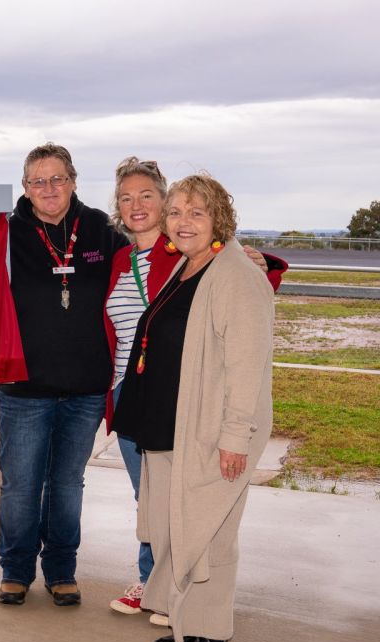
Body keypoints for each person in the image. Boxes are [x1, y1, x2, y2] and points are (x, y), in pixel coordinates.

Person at [103, 158, 288, 617]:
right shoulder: (166, 266)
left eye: (196, 213)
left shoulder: (225, 267)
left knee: (202, 523)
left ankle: (204, 627)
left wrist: (235, 435)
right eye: (178, 213)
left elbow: (246, 357)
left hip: (201, 417)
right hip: (152, 407)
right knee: (164, 515)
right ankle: (173, 604)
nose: (184, 223)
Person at [0, 143, 127, 607]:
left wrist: (228, 251)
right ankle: (14, 569)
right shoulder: (4, 234)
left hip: (86, 386)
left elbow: (158, 258)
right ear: (25, 188)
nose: (48, 188)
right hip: (23, 386)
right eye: (38, 181)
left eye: (57, 179)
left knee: (67, 484)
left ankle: (61, 569)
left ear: (73, 181)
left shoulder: (103, 230)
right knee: (21, 483)